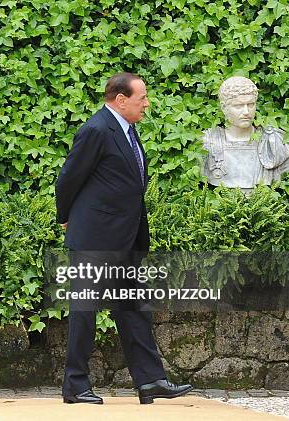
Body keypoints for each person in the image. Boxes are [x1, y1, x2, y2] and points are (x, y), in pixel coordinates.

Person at [55, 72, 193, 405]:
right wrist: (66, 219)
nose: (146, 104)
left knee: (133, 307)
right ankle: (75, 385)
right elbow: (67, 179)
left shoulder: (127, 130)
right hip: (95, 238)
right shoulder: (97, 129)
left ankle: (150, 382)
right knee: (85, 310)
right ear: (120, 99)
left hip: (126, 239)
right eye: (141, 98)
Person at [202, 76, 289, 192]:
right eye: (238, 106)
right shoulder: (209, 142)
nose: (246, 112)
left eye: (250, 104)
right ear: (224, 107)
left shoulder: (273, 142)